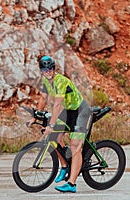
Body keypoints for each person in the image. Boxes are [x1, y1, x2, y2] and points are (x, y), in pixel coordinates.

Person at [27, 55, 92, 193]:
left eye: (50, 68)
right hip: (68, 111)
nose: (48, 71)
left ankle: (72, 184)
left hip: (81, 111)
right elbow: (43, 98)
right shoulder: (45, 80)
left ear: (54, 68)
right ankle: (64, 166)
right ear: (41, 71)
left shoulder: (60, 81)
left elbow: (57, 105)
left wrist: (50, 125)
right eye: (45, 69)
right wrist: (35, 116)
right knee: (53, 138)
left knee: (75, 146)